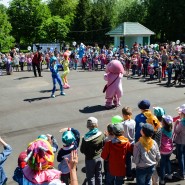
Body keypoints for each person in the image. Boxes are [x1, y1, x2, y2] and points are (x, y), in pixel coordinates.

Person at [80, 117, 104, 185]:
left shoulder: (85, 139)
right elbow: (103, 144)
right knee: (99, 174)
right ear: (96, 124)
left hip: (89, 159)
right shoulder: (101, 134)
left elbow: (82, 150)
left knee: (91, 177)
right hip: (99, 158)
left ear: (88, 126)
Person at [121, 107, 135, 180]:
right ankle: (130, 173)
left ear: (124, 115)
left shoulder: (123, 124)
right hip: (132, 142)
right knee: (131, 158)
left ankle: (126, 174)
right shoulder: (133, 121)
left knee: (126, 160)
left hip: (125, 144)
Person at [159, 115, 173, 185]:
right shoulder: (170, 129)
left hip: (163, 150)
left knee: (162, 165)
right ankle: (170, 174)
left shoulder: (162, 130)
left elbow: (159, 139)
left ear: (164, 123)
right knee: (168, 161)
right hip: (170, 149)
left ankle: (162, 179)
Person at [173, 104, 185, 180]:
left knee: (181, 157)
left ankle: (182, 174)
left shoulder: (181, 123)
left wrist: (176, 124)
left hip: (180, 142)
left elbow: (176, 131)